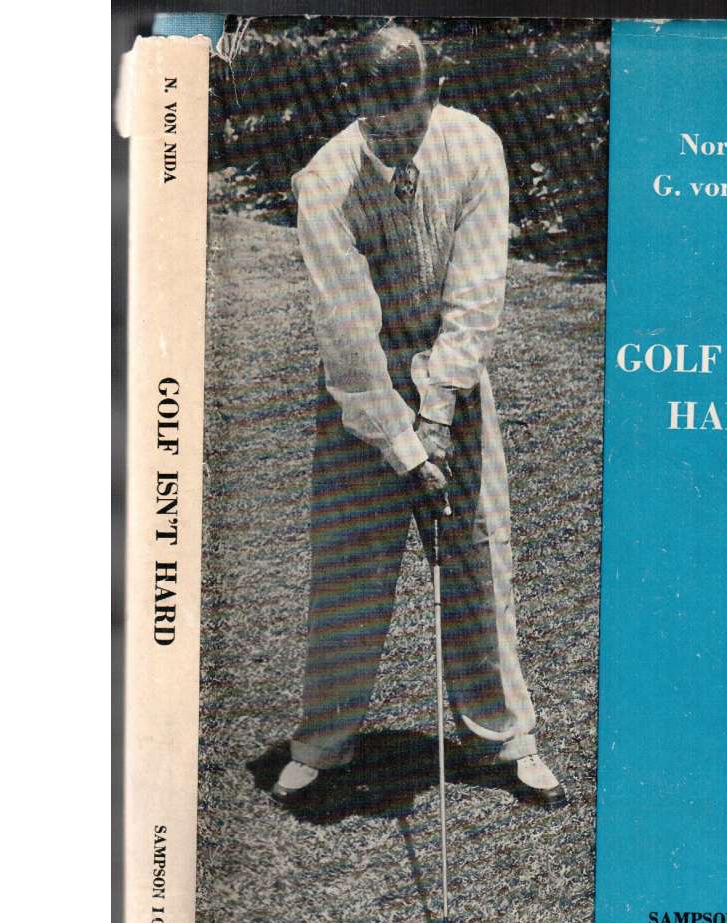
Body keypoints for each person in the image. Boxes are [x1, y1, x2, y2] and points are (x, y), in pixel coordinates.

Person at [272, 24, 567, 810]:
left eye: (411, 127)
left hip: (456, 380)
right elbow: (347, 334)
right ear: (357, 104)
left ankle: (506, 740)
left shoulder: (475, 147)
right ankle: (323, 744)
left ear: (435, 94)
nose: (397, 144)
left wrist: (438, 414)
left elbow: (476, 297)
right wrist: (404, 448)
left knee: (477, 558)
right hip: (359, 393)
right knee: (349, 569)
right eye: (381, 130)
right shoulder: (324, 181)